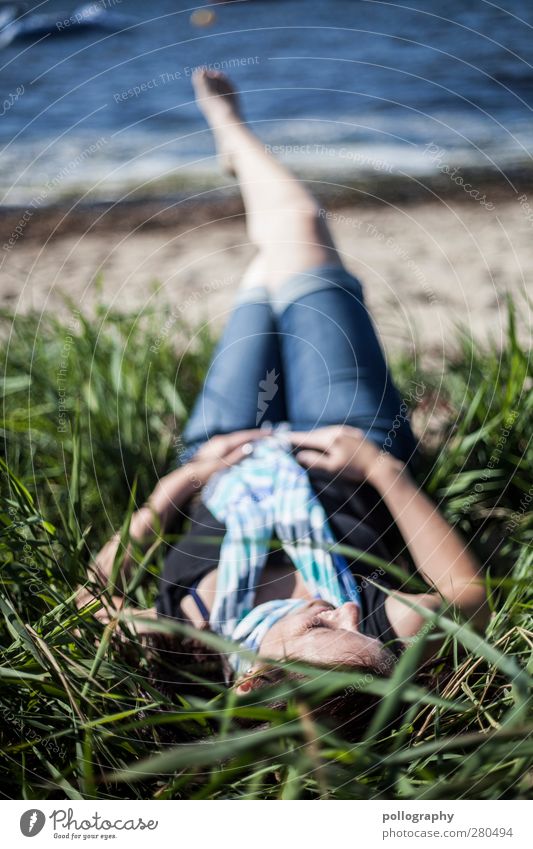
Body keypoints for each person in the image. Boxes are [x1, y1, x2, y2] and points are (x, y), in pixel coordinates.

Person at [79, 70, 488, 696]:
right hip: (352, 442)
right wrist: (384, 473)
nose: (350, 611)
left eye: (325, 628)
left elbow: (87, 604)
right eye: (364, 632)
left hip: (220, 449)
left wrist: (173, 489)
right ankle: (234, 136)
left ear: (256, 676)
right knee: (296, 224)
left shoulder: (185, 638)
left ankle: (234, 144)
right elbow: (467, 600)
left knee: (273, 263)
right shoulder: (376, 627)